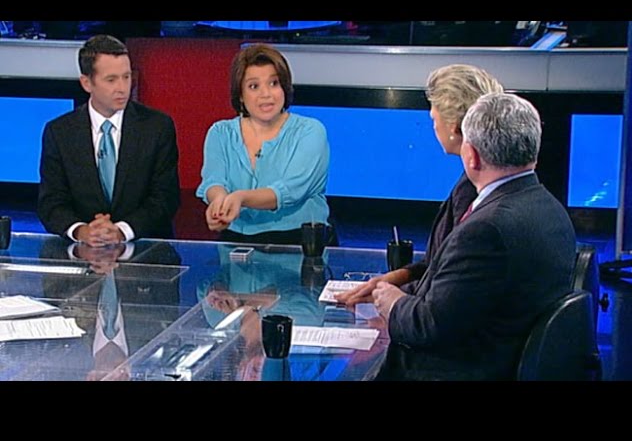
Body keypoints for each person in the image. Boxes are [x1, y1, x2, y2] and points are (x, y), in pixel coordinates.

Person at [373, 93, 577, 380]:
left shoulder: (486, 230)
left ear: (471, 155)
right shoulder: (550, 208)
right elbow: (462, 294)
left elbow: (431, 326)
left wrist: (392, 302)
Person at [336, 64, 503, 305]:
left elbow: (448, 288)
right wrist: (395, 278)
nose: (433, 125)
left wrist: (394, 300)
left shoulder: (475, 196)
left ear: (454, 126)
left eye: (434, 117)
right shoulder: (472, 181)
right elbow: (439, 263)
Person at [37, 34, 180, 247]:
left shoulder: (157, 127)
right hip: (82, 255)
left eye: (126, 77)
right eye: (111, 80)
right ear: (87, 83)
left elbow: (165, 198)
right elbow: (51, 203)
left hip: (145, 251)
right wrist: (82, 231)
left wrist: (122, 231)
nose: (122, 88)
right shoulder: (59, 132)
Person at [196, 43, 331, 245]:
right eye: (254, 86)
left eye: (274, 83)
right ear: (241, 95)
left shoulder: (310, 131)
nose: (266, 94)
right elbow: (213, 181)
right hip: (236, 240)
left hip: (302, 240)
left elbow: (290, 191)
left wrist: (240, 198)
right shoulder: (220, 133)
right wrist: (219, 204)